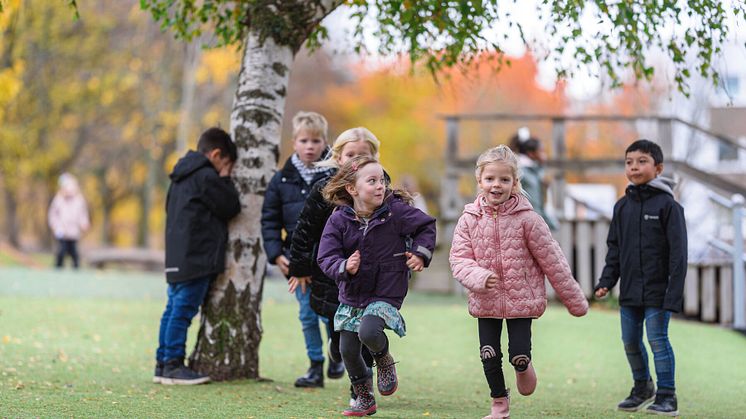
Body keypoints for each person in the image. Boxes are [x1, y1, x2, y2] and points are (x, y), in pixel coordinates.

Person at [449, 145, 588, 419]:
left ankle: (523, 366)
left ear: (515, 183)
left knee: (518, 355)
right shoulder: (469, 220)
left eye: (504, 179)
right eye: (490, 179)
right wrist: (479, 276)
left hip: (521, 299)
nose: (496, 185)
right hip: (485, 299)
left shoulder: (529, 220)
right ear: (480, 181)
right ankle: (499, 404)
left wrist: (574, 300)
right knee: (488, 354)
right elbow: (459, 258)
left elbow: (554, 262)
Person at [317, 156, 436, 417]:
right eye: (372, 181)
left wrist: (420, 253)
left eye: (382, 180)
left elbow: (426, 226)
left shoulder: (397, 211)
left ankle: (384, 359)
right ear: (352, 188)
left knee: (369, 331)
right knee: (346, 350)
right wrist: (344, 266)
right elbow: (326, 256)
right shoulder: (338, 220)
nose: (380, 186)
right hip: (353, 292)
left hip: (387, 289)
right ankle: (364, 397)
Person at [287, 127, 381, 402]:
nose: (356, 161)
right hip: (332, 276)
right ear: (338, 158)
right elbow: (304, 229)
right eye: (350, 155)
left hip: (370, 276)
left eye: (363, 156)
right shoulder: (325, 191)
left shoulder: (381, 188)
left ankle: (360, 390)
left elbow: (401, 224)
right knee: (342, 335)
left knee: (364, 337)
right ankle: (337, 349)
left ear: (374, 158)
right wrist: (300, 268)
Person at [594, 139, 686, 416]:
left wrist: (674, 293)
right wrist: (606, 281)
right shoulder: (622, 207)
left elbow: (679, 255)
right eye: (629, 162)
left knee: (658, 341)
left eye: (642, 161)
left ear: (658, 168)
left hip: (659, 292)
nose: (634, 166)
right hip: (631, 291)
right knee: (630, 341)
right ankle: (642, 387)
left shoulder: (669, 207)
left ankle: (667, 396)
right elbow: (615, 249)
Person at [261, 111, 343, 388]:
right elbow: (269, 219)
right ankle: (314, 366)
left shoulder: (336, 177)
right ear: (294, 142)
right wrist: (277, 254)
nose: (310, 146)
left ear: (325, 142)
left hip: (329, 260)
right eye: (304, 140)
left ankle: (338, 353)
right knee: (307, 315)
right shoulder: (281, 180)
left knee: (331, 312)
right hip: (297, 261)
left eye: (316, 141)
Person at [154, 127, 241, 385]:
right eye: (226, 165)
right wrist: (225, 179)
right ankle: (173, 365)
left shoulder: (180, 176)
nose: (226, 170)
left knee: (172, 309)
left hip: (178, 256)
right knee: (182, 310)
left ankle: (162, 363)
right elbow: (230, 206)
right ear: (216, 155)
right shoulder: (205, 176)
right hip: (196, 256)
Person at [509, 127, 558, 230]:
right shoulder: (522, 172)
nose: (544, 155)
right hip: (526, 224)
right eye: (541, 151)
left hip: (535, 222)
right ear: (531, 153)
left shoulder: (536, 171)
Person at [48, 173, 90, 269]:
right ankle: (58, 268)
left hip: (73, 231)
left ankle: (76, 269)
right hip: (61, 229)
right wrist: (54, 224)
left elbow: (82, 214)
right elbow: (53, 214)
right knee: (61, 251)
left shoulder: (79, 200)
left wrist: (84, 223)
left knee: (74, 252)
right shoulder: (58, 199)